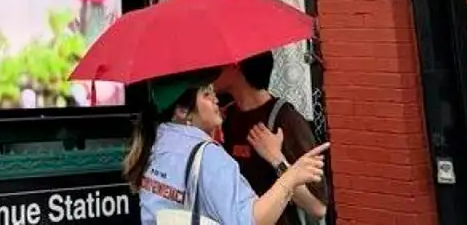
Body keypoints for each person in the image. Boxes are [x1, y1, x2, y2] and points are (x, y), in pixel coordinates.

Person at [124, 68, 329, 225]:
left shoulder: (156, 144)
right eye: (206, 94)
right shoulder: (207, 155)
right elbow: (248, 220)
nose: (215, 99)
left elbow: (318, 207)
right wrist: (291, 176)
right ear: (182, 111)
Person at [216, 52, 328, 224]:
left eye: (217, 63)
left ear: (236, 65)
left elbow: (318, 207)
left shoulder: (286, 120)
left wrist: (277, 159)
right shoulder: (225, 118)